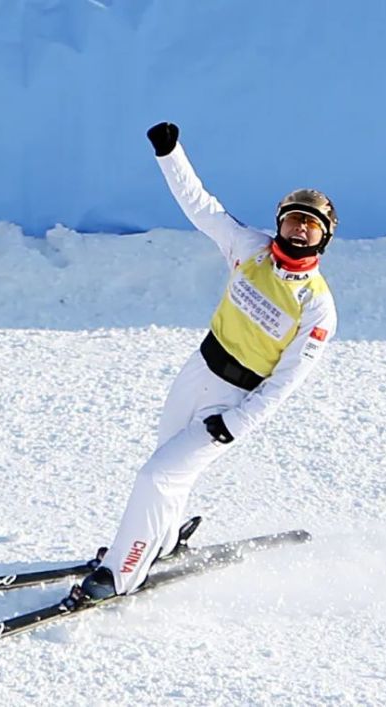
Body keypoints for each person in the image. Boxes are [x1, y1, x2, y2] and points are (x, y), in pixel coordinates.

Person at [79, 121, 338, 601]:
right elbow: (201, 206)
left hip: (234, 398)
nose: (299, 228)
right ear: (278, 221)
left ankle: (121, 573)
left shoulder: (318, 307)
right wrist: (169, 153)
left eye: (310, 224)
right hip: (199, 368)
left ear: (323, 238)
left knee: (158, 475)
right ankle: (163, 538)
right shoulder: (250, 248)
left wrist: (236, 423)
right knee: (165, 462)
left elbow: (286, 382)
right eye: (292, 219)